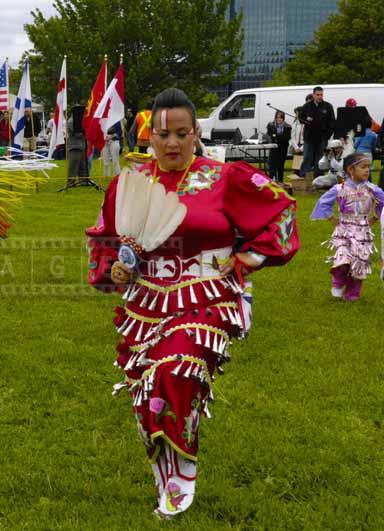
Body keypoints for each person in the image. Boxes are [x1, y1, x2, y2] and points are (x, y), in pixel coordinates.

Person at [86, 88, 299, 519]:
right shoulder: (131, 183)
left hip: (207, 295)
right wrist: (114, 269)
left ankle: (182, 469)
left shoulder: (224, 177)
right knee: (147, 392)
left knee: (175, 369)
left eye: (182, 134)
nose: (171, 143)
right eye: (163, 134)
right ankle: (165, 466)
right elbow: (104, 239)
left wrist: (243, 262)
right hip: (146, 303)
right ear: (149, 135)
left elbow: (282, 214)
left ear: (195, 133)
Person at [311, 153, 384, 301]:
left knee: (360, 262)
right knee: (343, 258)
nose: (367, 170)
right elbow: (324, 202)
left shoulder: (372, 189)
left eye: (368, 167)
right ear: (351, 170)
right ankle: (337, 283)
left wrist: (375, 217)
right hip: (344, 230)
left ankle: (352, 294)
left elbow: (382, 203)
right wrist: (332, 218)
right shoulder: (340, 189)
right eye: (363, 167)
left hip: (363, 232)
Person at [299, 87, 335, 178]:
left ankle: (318, 178)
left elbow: (332, 122)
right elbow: (301, 118)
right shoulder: (307, 106)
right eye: (318, 95)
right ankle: (304, 177)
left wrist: (327, 136)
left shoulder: (328, 106)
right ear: (313, 95)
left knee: (319, 159)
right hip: (309, 138)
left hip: (322, 138)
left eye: (321, 95)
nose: (320, 96)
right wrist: (307, 119)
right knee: (307, 157)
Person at [265, 111, 292, 182]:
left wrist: (275, 136)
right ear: (275, 117)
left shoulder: (287, 126)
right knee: (271, 164)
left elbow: (286, 138)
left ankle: (280, 181)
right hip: (273, 148)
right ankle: (272, 180)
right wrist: (273, 137)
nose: (279, 119)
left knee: (280, 166)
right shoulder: (271, 125)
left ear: (283, 118)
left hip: (283, 148)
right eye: (277, 117)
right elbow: (268, 135)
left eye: (281, 118)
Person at [67, 105, 88, 184]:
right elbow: (77, 134)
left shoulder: (79, 120)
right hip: (74, 146)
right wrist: (86, 133)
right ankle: (71, 182)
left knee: (82, 165)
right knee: (73, 165)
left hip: (81, 146)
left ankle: (83, 180)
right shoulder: (71, 121)